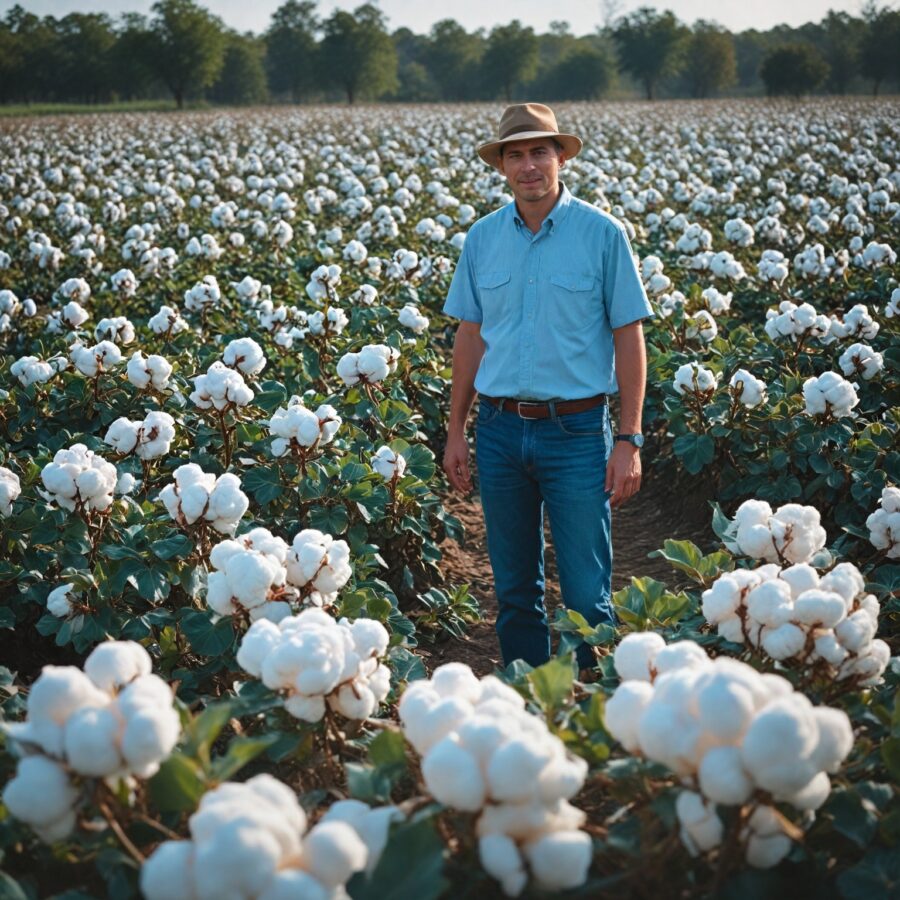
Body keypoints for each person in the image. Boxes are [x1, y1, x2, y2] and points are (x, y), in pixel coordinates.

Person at [441, 102, 652, 675]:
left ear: (560, 157)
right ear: (502, 167)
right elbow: (469, 337)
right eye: (516, 155)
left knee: (586, 593)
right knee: (513, 590)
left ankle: (586, 704)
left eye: (539, 151)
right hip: (502, 431)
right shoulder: (482, 239)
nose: (528, 165)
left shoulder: (603, 235)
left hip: (578, 433)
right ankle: (528, 697)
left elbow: (629, 339)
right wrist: (456, 430)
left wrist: (628, 438)